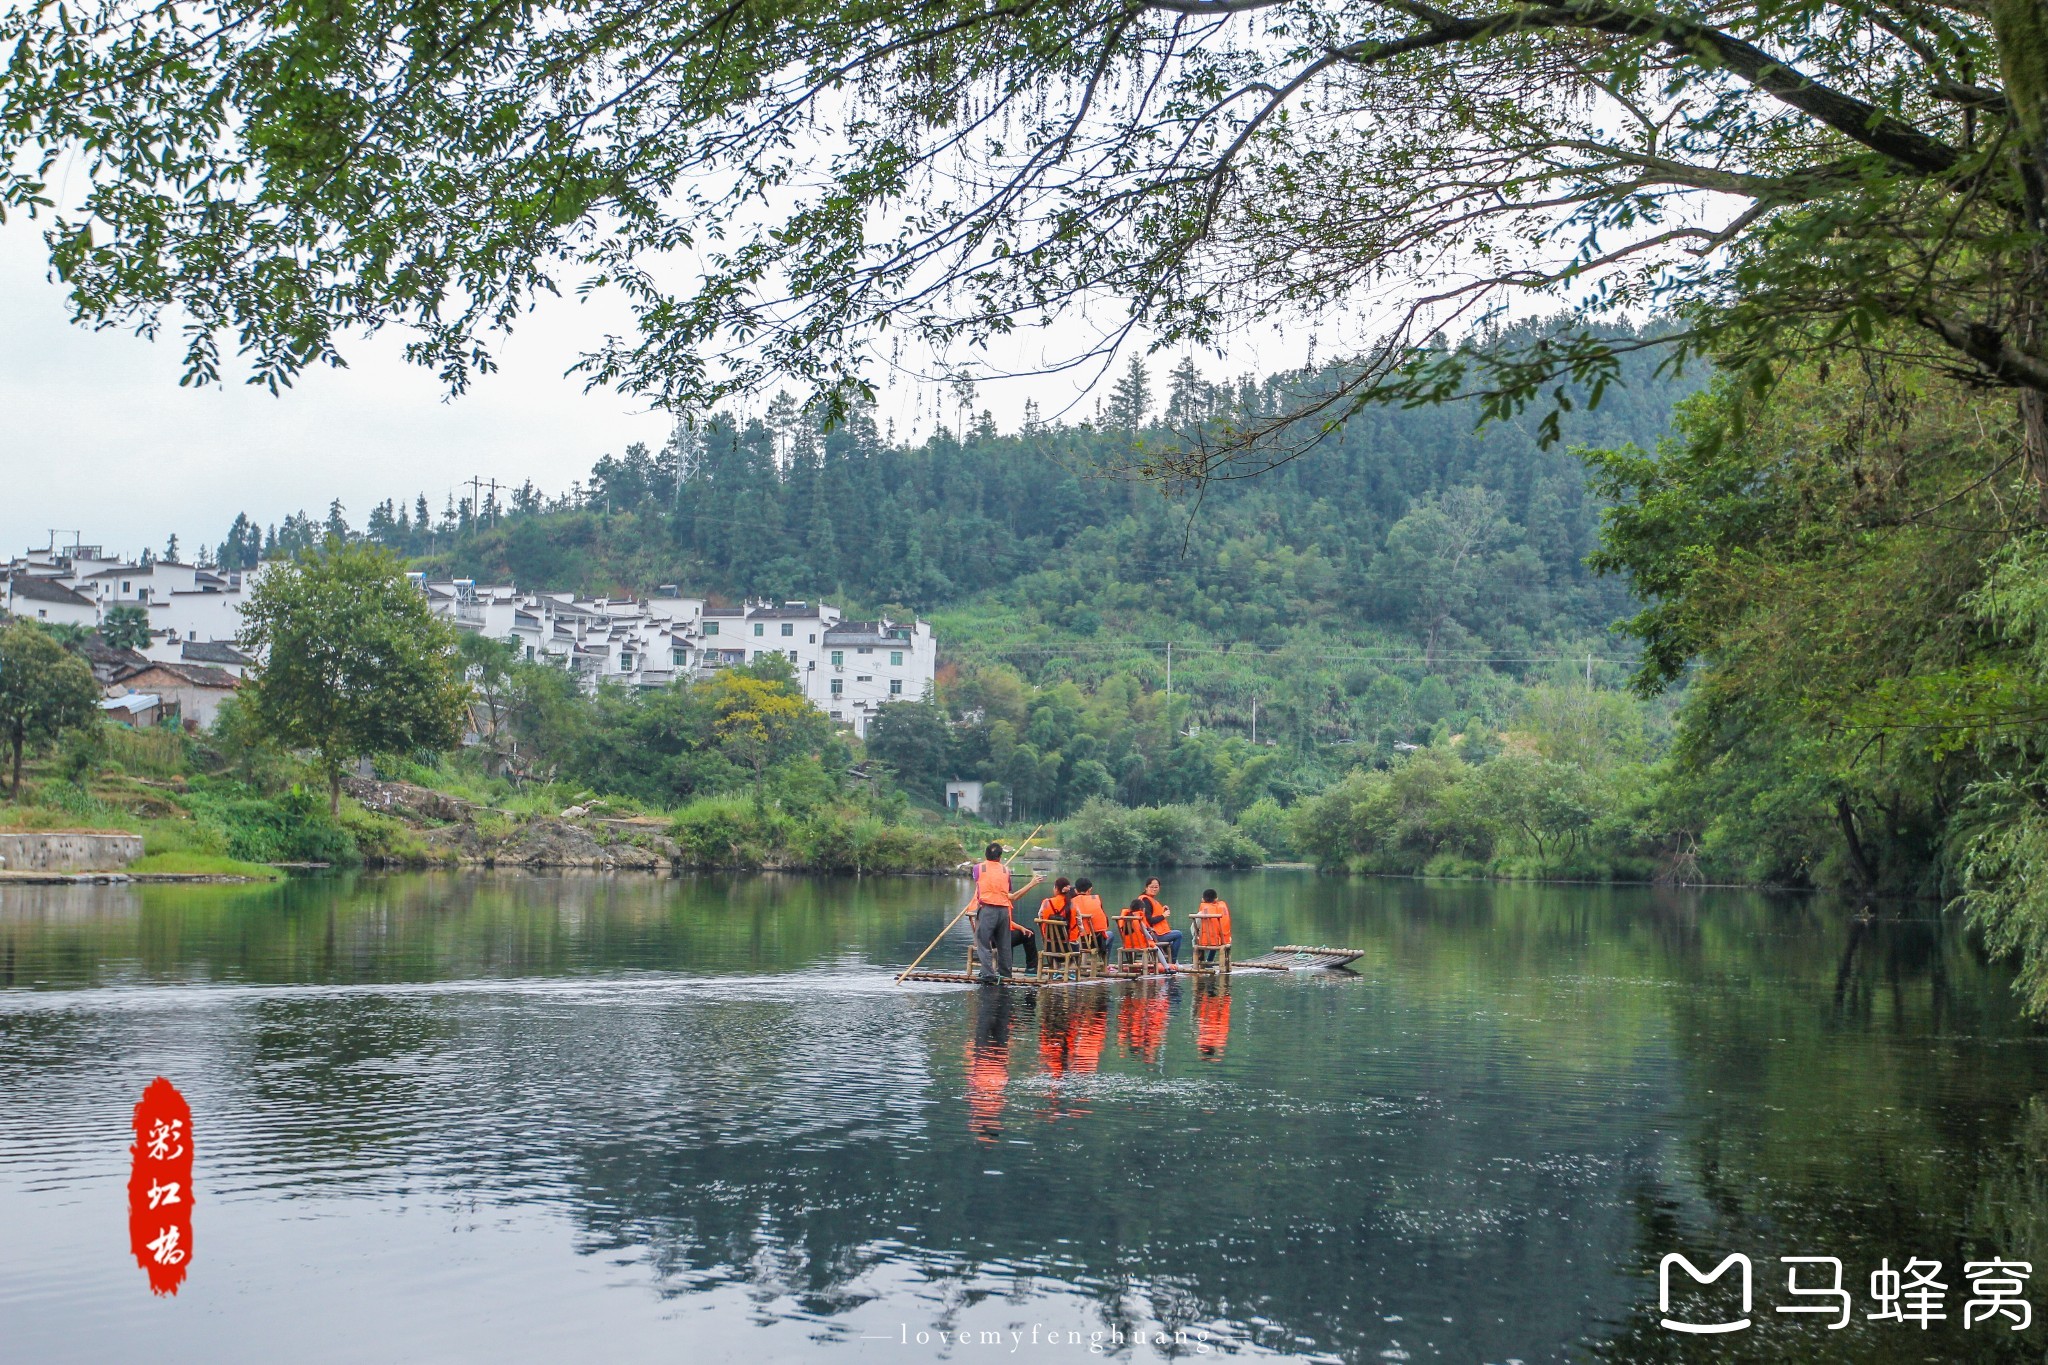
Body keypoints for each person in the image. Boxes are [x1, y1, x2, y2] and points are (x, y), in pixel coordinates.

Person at [970, 842, 1040, 983]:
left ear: (985, 854)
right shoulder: (1006, 871)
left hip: (988, 908)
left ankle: (988, 973)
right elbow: (1008, 891)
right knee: (1004, 944)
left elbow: (977, 880)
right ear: (1000, 856)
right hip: (1003, 910)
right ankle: (1005, 974)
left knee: (983, 942)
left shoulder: (978, 868)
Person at [1135, 877, 1183, 965]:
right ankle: (1172, 962)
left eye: (1156, 887)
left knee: (1172, 941)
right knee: (1178, 934)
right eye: (1151, 887)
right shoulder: (1145, 900)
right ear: (1146, 887)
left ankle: (1168, 961)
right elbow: (1149, 921)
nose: (1154, 889)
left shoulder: (1149, 899)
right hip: (1152, 936)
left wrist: (1162, 910)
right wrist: (1163, 916)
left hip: (1154, 934)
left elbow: (1153, 914)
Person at [1069, 878, 1112, 964]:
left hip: (1076, 941)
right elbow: (1106, 922)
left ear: (1076, 890)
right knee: (1111, 935)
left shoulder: (1070, 903)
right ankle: (1104, 964)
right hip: (1094, 941)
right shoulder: (1096, 899)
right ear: (1090, 890)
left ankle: (1082, 963)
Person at [1194, 888, 1232, 961]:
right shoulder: (1222, 908)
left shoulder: (1202, 912)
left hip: (1205, 941)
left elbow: (1197, 927)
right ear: (1216, 899)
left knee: (1196, 934)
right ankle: (1211, 960)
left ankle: (1199, 960)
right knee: (1216, 936)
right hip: (1223, 940)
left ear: (1203, 899)